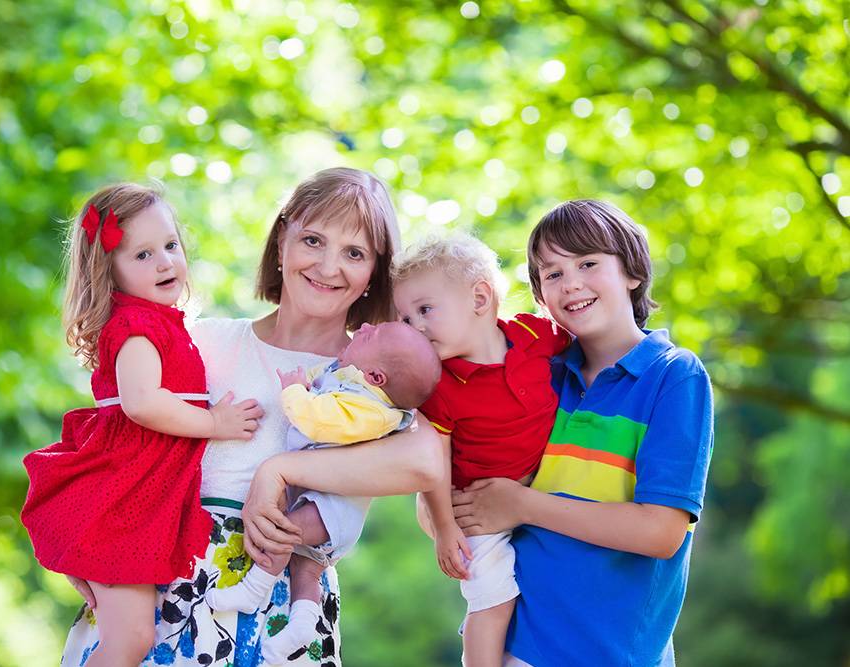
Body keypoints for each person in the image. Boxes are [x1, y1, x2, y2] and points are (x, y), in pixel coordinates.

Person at [59, 168, 443, 667]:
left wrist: (279, 472)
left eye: (354, 253)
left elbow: (428, 461)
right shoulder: (205, 341)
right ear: (281, 239)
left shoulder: (375, 383)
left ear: (375, 271)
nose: (329, 266)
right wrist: (82, 536)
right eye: (312, 240)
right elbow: (115, 438)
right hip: (163, 585)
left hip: (280, 603)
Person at [449, 199, 714, 666]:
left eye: (588, 263)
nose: (570, 282)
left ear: (632, 272)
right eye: (551, 274)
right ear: (540, 295)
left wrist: (523, 504)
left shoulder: (674, 376)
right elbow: (466, 486)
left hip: (607, 653)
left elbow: (661, 532)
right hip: (515, 646)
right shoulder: (538, 378)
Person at [21, 183, 263, 667]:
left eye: (171, 246)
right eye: (143, 254)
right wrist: (214, 421)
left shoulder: (162, 324)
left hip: (137, 502)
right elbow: (142, 404)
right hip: (122, 505)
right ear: (108, 272)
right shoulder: (137, 330)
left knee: (135, 629)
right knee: (131, 638)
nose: (165, 262)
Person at [206, 320, 441, 664]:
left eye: (371, 334)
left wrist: (294, 391)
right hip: (318, 504)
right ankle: (302, 624)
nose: (362, 327)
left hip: (330, 509)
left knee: (281, 532)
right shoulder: (351, 378)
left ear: (376, 378)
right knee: (306, 569)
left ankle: (252, 589)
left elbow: (320, 420)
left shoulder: (373, 409)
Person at [392, 234, 570, 667]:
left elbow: (587, 346)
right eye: (405, 317)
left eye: (425, 310)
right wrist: (446, 526)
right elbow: (433, 464)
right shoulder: (441, 386)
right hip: (472, 505)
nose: (414, 326)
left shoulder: (534, 335)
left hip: (537, 489)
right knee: (492, 594)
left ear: (479, 298)